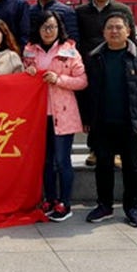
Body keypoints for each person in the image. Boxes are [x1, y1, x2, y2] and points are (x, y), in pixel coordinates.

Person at [84, 12, 137, 229]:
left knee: (132, 168)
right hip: (102, 123)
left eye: (119, 27)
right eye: (110, 28)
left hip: (131, 123)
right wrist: (87, 118)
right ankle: (104, 206)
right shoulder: (94, 57)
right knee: (103, 166)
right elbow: (87, 92)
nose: (114, 31)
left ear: (128, 31)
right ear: (103, 32)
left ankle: (132, 208)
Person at [23, 11, 87, 222]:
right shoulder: (30, 50)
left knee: (62, 160)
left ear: (59, 29)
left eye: (52, 27)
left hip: (63, 114)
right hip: (39, 114)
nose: (48, 31)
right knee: (46, 161)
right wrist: (28, 74)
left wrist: (58, 79)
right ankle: (50, 200)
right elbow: (22, 76)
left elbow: (82, 81)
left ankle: (65, 203)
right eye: (44, 27)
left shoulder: (69, 50)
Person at [75, 0, 136, 167]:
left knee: (115, 108)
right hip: (91, 68)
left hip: (117, 66)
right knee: (94, 108)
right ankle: (94, 149)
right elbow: (77, 40)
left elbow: (132, 39)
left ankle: (117, 152)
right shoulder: (81, 12)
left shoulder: (123, 10)